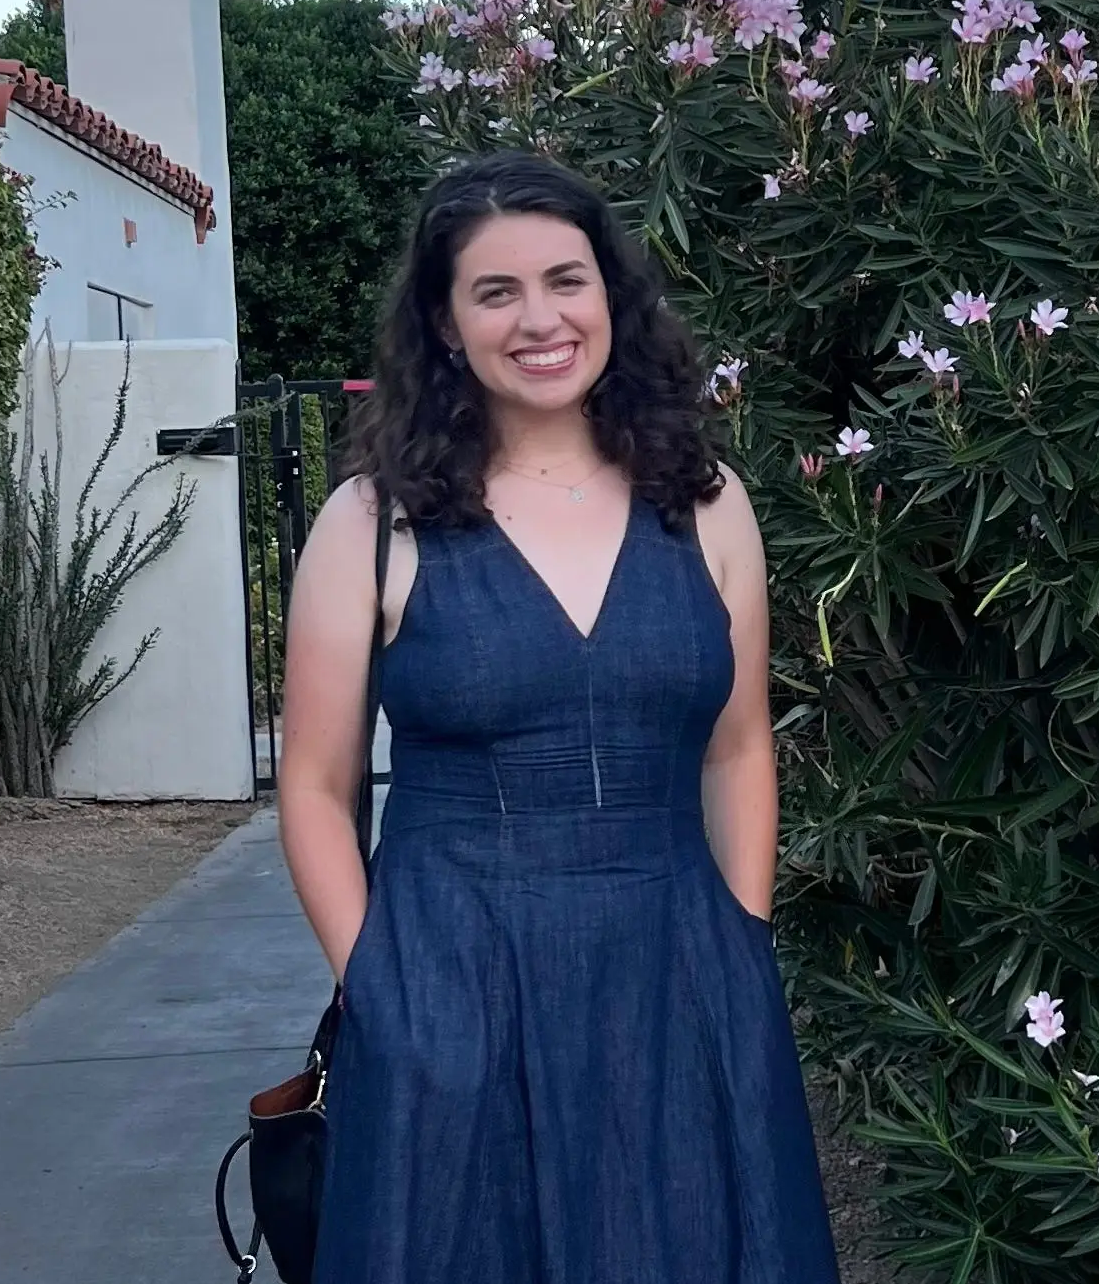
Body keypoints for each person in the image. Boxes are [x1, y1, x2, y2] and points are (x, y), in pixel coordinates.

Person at [277, 151, 841, 1282]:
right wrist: (379, 986)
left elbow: (737, 747)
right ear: (444, 326)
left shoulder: (707, 503)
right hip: (452, 967)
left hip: (677, 970)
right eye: (496, 292)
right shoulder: (373, 521)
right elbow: (316, 785)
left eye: (566, 280)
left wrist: (740, 938)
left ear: (610, 299)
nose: (541, 319)